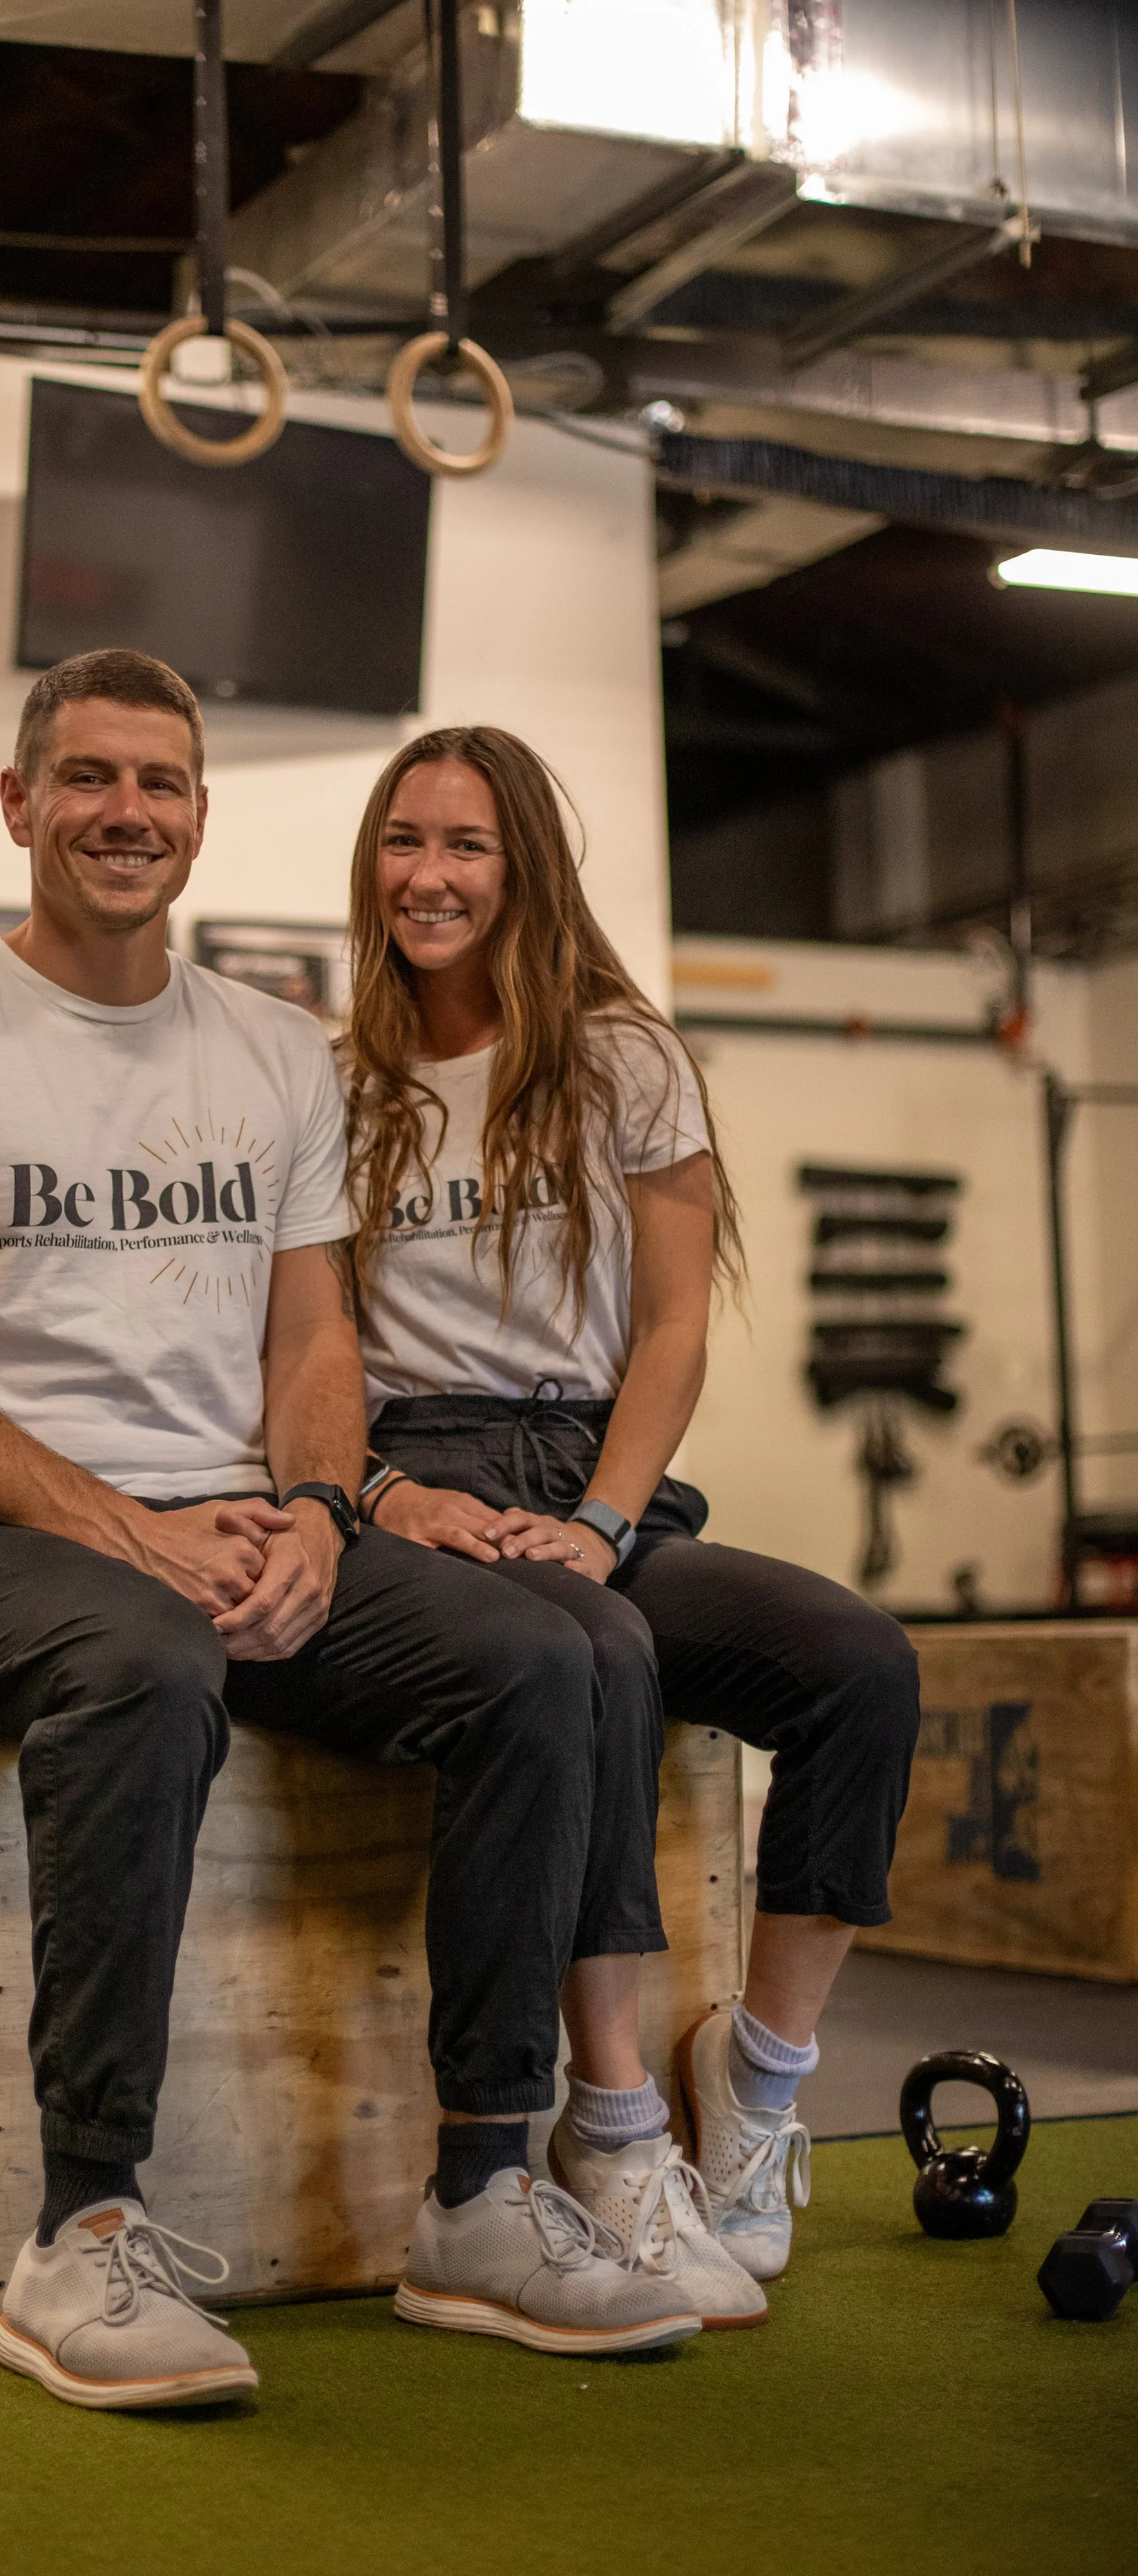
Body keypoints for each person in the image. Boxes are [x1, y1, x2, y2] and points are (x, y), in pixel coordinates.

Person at [0, 650, 699, 2414]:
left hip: (230, 1530)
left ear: (199, 818)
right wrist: (137, 1535)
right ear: (18, 805)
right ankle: (83, 2228)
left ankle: (483, 2190)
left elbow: (310, 1341)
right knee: (143, 1658)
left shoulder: (273, 1051)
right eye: (91, 780)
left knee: (533, 1657)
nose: (127, 815)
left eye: (163, 786)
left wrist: (302, 1508)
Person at [339, 724, 920, 2311]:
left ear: (524, 866)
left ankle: (753, 2084)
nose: (430, 876)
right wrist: (388, 1497)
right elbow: (307, 1356)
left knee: (856, 1664)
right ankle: (608, 2129)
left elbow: (669, 1328)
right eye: (403, 841)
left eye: (465, 844)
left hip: (599, 1480)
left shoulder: (622, 1055)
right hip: (419, 1479)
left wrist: (599, 1520)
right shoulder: (336, 1082)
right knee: (587, 1657)